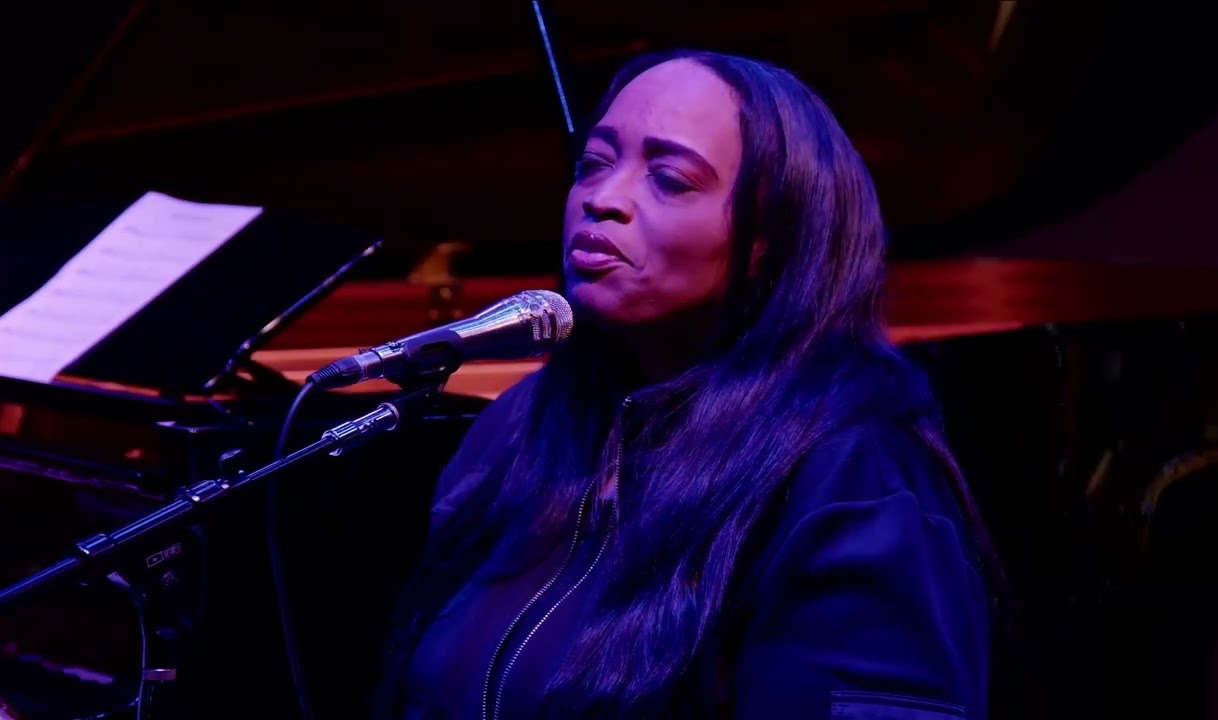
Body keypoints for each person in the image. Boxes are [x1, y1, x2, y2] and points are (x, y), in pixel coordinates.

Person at [374, 48, 1002, 719]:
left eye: (669, 179)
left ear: (770, 241)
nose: (601, 200)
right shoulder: (516, 429)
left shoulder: (852, 473)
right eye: (593, 164)